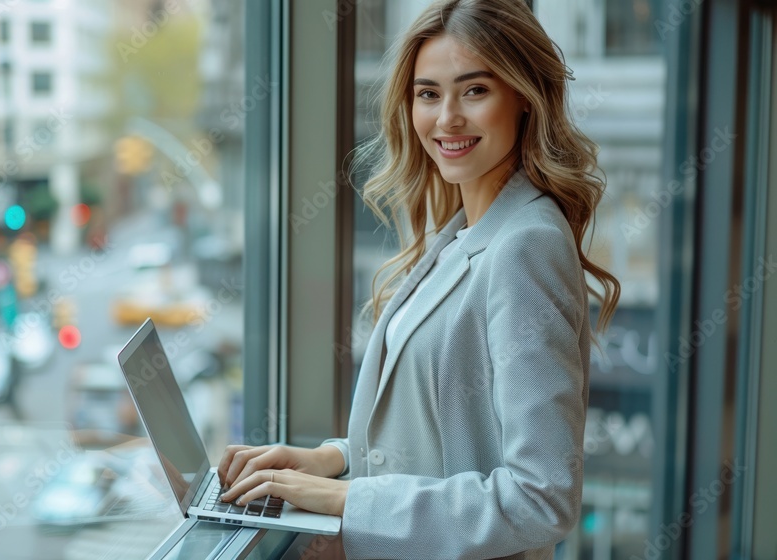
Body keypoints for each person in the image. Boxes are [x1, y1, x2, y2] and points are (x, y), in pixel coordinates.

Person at [217, 0, 622, 558]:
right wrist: (331, 459)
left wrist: (343, 499)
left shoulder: (525, 246)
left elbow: (540, 498)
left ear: (524, 100)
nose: (446, 118)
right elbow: (438, 440)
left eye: (475, 91)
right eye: (428, 94)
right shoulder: (465, 234)